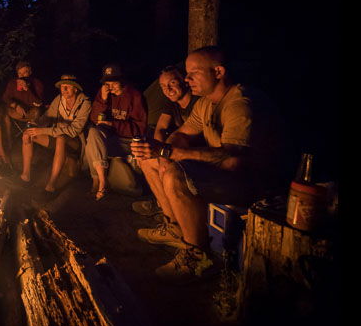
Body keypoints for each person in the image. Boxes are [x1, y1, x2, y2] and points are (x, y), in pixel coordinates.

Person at [131, 46, 282, 283]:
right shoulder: (206, 103)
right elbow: (181, 134)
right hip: (225, 174)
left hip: (254, 185)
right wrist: (164, 153)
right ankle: (175, 227)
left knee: (175, 174)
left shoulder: (240, 103)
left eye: (194, 73)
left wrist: (174, 155)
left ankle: (198, 256)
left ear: (218, 72)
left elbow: (233, 161)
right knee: (150, 160)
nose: (187, 78)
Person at [133, 66, 199, 216]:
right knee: (145, 161)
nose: (167, 89)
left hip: (193, 154)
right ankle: (169, 215)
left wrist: (164, 154)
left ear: (185, 81)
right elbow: (161, 128)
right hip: (175, 152)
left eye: (172, 83)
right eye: (163, 86)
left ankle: (175, 214)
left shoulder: (198, 103)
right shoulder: (172, 104)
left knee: (167, 168)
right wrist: (161, 154)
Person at [85, 64, 148, 201]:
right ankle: (100, 180)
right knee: (93, 133)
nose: (110, 86)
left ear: (122, 81)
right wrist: (102, 99)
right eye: (107, 83)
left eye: (114, 82)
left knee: (93, 142)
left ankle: (100, 181)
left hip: (127, 142)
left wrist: (113, 124)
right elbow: (94, 119)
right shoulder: (104, 94)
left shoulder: (135, 96)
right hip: (110, 139)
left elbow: (139, 129)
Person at [20, 74, 91, 192]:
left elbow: (74, 130)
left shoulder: (85, 103)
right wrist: (35, 125)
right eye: (62, 87)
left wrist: (44, 130)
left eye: (68, 87)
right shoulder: (59, 99)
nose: (64, 90)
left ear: (75, 88)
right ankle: (25, 176)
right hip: (56, 136)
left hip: (75, 143)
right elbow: (48, 116)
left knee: (61, 138)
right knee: (29, 134)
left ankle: (51, 184)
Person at [2, 61, 44, 134]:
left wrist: (27, 89)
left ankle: (32, 135)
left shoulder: (37, 83)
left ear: (30, 72)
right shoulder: (13, 83)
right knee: (5, 110)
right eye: (20, 73)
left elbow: (38, 103)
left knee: (37, 111)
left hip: (31, 113)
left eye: (25, 73)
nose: (22, 76)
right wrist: (16, 106)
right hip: (17, 112)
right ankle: (8, 138)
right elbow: (5, 97)